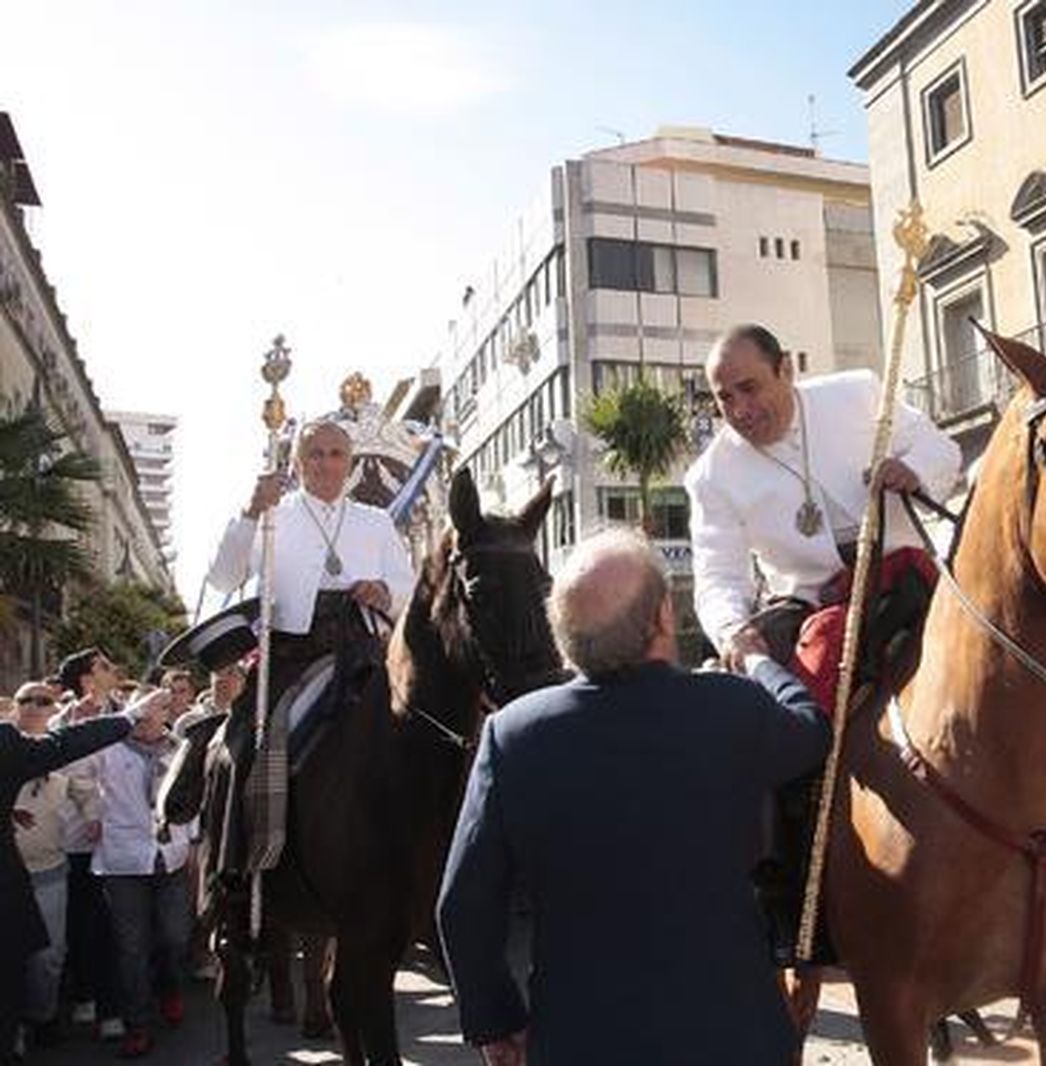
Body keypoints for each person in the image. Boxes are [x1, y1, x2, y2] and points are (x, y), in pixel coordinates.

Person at [436, 530, 830, 1066]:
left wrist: (496, 1023)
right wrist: (759, 662)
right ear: (664, 618)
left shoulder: (513, 736)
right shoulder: (731, 708)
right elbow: (810, 732)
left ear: (565, 638)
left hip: (580, 1042)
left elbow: (463, 906)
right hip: (733, 1038)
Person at [175, 418, 415, 887]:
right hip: (291, 654)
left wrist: (383, 590)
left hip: (362, 650)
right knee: (243, 744)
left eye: (335, 454)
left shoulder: (376, 520)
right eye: (314, 454)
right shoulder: (272, 513)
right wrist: (248, 512)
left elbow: (407, 586)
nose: (325, 463)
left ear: (349, 463)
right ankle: (231, 869)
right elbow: (223, 578)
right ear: (297, 462)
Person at [685, 322, 961, 686]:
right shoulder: (711, 475)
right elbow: (718, 576)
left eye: (749, 389)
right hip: (812, 608)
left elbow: (942, 449)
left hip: (909, 576)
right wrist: (732, 629)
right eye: (725, 398)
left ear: (785, 369)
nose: (739, 411)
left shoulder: (856, 393)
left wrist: (913, 469)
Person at [2, 689, 170, 1065]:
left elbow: (63, 746)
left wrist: (127, 718)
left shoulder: (5, 743)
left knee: (34, 965)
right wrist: (128, 717)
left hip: (34, 878)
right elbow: (64, 744)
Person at [92, 689, 194, 1059]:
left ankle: (169, 986)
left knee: (175, 937)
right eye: (147, 708)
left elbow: (193, 798)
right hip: (123, 862)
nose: (155, 714)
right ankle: (138, 1025)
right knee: (131, 947)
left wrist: (194, 843)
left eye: (162, 708)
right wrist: (90, 811)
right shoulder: (109, 749)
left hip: (172, 856)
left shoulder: (181, 749)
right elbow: (73, 774)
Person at [51, 649, 124, 1041]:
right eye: (104, 667)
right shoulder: (60, 725)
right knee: (81, 925)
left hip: (120, 842)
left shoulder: (127, 716)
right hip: (76, 842)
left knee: (113, 928)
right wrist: (91, 812)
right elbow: (69, 776)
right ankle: (85, 995)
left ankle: (112, 1006)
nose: (114, 672)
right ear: (86, 679)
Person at [7, 685, 77, 1054]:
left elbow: (88, 791)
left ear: (55, 708)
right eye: (25, 700)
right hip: (9, 874)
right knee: (10, 956)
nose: (34, 707)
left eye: (44, 701)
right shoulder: (4, 746)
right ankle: (14, 1025)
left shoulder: (65, 749)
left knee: (50, 955)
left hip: (49, 869)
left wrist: (93, 815)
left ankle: (43, 1016)